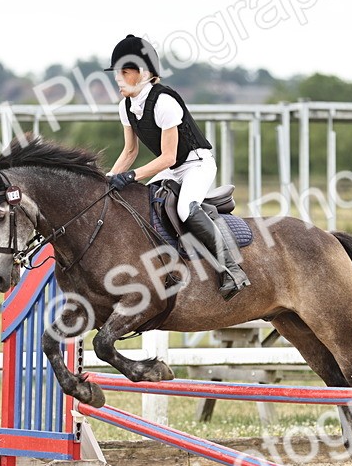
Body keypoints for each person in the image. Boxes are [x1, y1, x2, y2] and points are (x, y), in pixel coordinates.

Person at [104, 34, 250, 300]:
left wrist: (131, 175)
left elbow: (169, 157)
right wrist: (109, 180)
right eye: (117, 72)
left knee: (185, 208)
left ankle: (233, 270)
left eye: (125, 72)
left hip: (196, 164)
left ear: (145, 73)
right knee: (140, 203)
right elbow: (130, 151)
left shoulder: (164, 102)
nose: (118, 78)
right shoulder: (125, 106)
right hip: (172, 168)